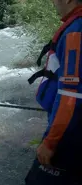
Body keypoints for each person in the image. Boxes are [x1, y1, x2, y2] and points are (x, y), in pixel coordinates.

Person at [26, 0, 82, 184]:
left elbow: (71, 97)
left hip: (70, 135)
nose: (52, 2)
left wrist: (50, 142)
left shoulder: (76, 31)